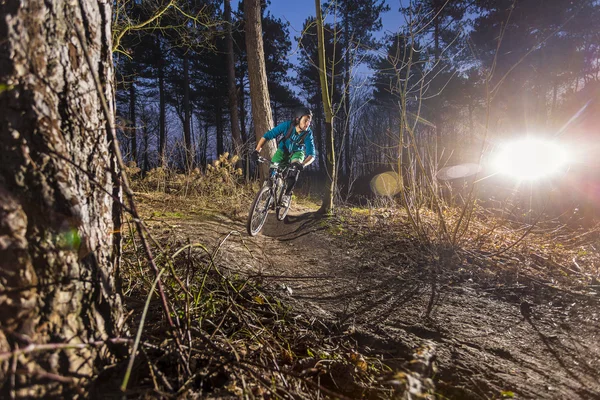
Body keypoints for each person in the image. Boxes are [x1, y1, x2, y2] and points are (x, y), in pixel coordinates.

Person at [253, 106, 315, 207]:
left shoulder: (308, 134)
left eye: (309, 121)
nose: (307, 124)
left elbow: (312, 154)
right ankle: (270, 193)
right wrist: (257, 150)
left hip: (297, 153)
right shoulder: (287, 126)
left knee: (294, 170)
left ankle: (286, 195)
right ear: (297, 119)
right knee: (272, 170)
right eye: (305, 120)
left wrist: (303, 164)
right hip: (283, 151)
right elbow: (268, 135)